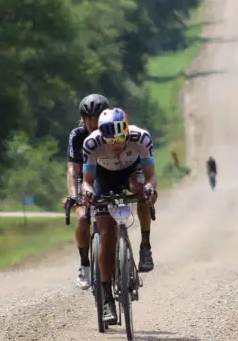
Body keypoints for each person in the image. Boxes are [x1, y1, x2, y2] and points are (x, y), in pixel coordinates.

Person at [81, 107, 158, 324]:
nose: (115, 145)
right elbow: (87, 179)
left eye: (120, 139)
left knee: (142, 190)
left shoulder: (141, 137)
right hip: (103, 177)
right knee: (107, 233)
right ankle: (106, 298)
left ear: (127, 132)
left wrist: (150, 188)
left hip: (132, 172)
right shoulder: (92, 143)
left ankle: (145, 246)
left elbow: (151, 175)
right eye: (110, 141)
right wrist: (87, 191)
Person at [62, 94, 111, 290]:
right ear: (83, 119)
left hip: (108, 178)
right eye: (89, 118)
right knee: (83, 218)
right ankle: (84, 263)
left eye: (97, 118)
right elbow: (73, 169)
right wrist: (73, 195)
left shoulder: (112, 131)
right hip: (85, 181)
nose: (93, 122)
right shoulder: (77, 135)